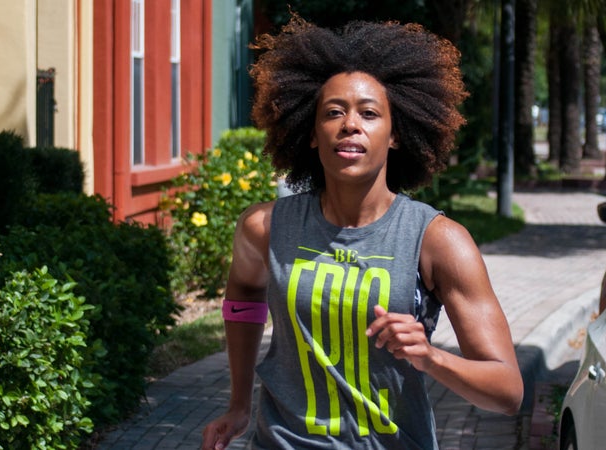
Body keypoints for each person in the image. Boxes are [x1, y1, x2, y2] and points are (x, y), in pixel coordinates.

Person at [201, 15, 523, 450]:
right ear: (312, 134)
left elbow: (507, 390)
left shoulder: (437, 240)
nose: (350, 124)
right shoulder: (265, 228)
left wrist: (431, 357)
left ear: (394, 134)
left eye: (369, 113)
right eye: (333, 112)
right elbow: (242, 291)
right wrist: (239, 403)